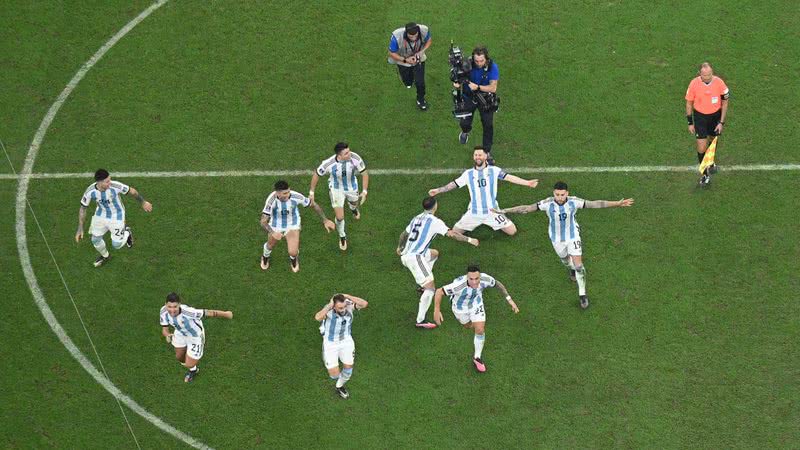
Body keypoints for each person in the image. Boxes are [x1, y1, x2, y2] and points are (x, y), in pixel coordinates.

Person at [494, 181, 634, 309]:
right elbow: (526, 208)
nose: (559, 197)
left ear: (567, 193)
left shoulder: (574, 202)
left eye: (562, 194)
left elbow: (595, 203)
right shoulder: (547, 203)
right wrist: (505, 210)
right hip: (556, 239)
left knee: (579, 265)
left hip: (572, 236)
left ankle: (582, 294)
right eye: (557, 194)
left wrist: (617, 203)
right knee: (566, 261)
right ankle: (570, 269)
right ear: (553, 193)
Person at [397, 196, 479, 329]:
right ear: (435, 206)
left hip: (409, 253)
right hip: (415, 257)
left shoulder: (416, 218)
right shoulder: (435, 221)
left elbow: (403, 235)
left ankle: (423, 283)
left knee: (434, 254)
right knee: (431, 288)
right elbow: (452, 234)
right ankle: (421, 320)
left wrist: (400, 247)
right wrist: (470, 240)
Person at [428, 147, 538, 236]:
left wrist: (527, 183)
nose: (477, 157)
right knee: (455, 232)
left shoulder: (494, 170)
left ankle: (491, 221)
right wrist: (438, 190)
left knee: (512, 231)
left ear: (486, 156)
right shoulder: (468, 174)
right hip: (474, 213)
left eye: (480, 155)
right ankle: (468, 219)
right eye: (475, 155)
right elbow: (454, 184)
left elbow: (510, 177)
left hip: (492, 211)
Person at [433, 265, 519, 373]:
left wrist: (509, 300)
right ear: (467, 277)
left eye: (476, 278)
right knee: (468, 326)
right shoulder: (458, 286)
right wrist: (437, 310)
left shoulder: (485, 279)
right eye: (471, 279)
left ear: (480, 276)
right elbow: (439, 291)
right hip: (460, 309)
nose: (474, 282)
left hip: (476, 305)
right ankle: (456, 302)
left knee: (479, 329)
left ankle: (477, 357)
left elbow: (497, 284)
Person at [75, 169, 153, 267]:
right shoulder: (90, 191)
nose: (110, 183)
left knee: (117, 245)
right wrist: (80, 227)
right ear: (99, 182)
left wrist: (143, 202)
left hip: (117, 215)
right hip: (100, 215)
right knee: (95, 239)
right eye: (107, 181)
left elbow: (132, 191)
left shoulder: (115, 186)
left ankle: (127, 232)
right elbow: (83, 208)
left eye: (110, 180)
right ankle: (105, 256)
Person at [260, 180, 335, 272]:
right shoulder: (271, 201)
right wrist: (273, 232)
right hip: (276, 224)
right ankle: (265, 257)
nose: (288, 194)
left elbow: (313, 204)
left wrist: (325, 220)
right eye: (285, 193)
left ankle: (294, 259)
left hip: (292, 223)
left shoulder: (296, 196)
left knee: (293, 251)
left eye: (288, 191)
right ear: (277, 193)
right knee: (270, 245)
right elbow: (263, 221)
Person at [159, 292, 233, 383]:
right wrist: (167, 335)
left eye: (175, 307)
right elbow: (164, 329)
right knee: (179, 357)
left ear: (179, 305)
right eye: (169, 307)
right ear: (165, 304)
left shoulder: (189, 312)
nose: (172, 310)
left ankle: (193, 370)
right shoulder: (163, 311)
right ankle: (191, 363)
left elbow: (208, 312)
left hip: (195, 336)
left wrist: (226, 314)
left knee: (189, 363)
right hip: (180, 334)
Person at [308, 142, 369, 251]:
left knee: (354, 203)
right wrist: (311, 192)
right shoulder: (328, 163)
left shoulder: (355, 158)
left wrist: (364, 191)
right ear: (339, 155)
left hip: (351, 187)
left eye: (349, 151)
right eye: (346, 153)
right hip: (336, 189)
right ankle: (342, 235)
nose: (349, 154)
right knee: (340, 217)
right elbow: (317, 174)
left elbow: (364, 173)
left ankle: (353, 208)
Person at [314, 293, 368, 399]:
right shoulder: (329, 310)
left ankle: (339, 386)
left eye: (343, 306)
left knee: (348, 370)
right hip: (331, 343)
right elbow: (317, 317)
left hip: (346, 341)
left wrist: (347, 296)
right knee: (334, 375)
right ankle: (324, 329)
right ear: (334, 306)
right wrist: (329, 306)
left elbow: (364, 304)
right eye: (340, 307)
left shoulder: (348, 305)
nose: (343, 309)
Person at [685, 62, 730, 186]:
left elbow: (725, 102)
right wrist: (690, 123)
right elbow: (689, 104)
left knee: (712, 140)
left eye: (710, 74)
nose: (708, 77)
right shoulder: (693, 84)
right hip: (700, 118)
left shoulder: (719, 83)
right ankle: (705, 175)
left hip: (715, 116)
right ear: (699, 74)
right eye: (705, 75)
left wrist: (721, 122)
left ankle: (710, 162)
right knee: (701, 147)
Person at [454, 46, 499, 159]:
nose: (479, 63)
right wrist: (457, 83)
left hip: (485, 99)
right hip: (468, 97)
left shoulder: (492, 67)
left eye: (481, 61)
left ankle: (486, 151)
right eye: (476, 61)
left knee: (488, 125)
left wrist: (477, 87)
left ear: (486, 59)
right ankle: (465, 131)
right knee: (464, 122)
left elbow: (493, 88)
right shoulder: (467, 64)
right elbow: (459, 77)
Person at [388, 22, 432, 111]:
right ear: (406, 33)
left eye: (415, 36)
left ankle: (420, 99)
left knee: (420, 82)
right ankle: (408, 80)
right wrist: (405, 60)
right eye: (411, 36)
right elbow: (391, 53)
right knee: (407, 81)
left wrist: (422, 51)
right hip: (403, 58)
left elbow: (429, 40)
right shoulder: (397, 36)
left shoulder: (424, 30)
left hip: (418, 56)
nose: (414, 38)